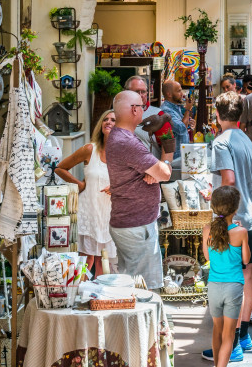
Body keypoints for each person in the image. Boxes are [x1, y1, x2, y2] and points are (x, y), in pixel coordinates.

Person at [211, 92, 252, 355]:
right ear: (240, 115)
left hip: (234, 218)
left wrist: (221, 212)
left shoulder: (221, 143)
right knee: (249, 275)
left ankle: (230, 346)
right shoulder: (247, 140)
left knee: (231, 278)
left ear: (217, 114)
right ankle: (243, 335)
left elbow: (228, 180)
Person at [106, 91, 171, 290]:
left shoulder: (121, 136)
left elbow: (156, 172)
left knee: (132, 285)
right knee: (145, 290)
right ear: (134, 109)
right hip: (136, 224)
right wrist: (164, 162)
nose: (144, 109)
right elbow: (165, 173)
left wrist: (155, 171)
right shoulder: (126, 141)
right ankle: (147, 322)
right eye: (142, 106)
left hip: (131, 222)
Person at [55, 110, 117, 277]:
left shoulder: (123, 154)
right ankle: (78, 291)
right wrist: (80, 184)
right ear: (100, 125)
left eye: (113, 120)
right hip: (89, 212)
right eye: (105, 119)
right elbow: (60, 168)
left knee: (103, 262)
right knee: (85, 261)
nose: (108, 122)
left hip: (110, 214)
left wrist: (117, 187)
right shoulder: (90, 149)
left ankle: (100, 299)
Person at [202, 186, 250, 366]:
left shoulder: (207, 230)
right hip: (234, 286)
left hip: (214, 285)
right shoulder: (241, 232)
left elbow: (207, 257)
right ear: (235, 209)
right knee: (229, 334)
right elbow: (246, 259)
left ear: (214, 207)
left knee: (217, 330)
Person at [124, 75, 171, 162]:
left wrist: (164, 166)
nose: (141, 95)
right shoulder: (113, 115)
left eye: (143, 92)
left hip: (149, 172)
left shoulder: (158, 115)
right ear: (125, 92)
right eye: (137, 92)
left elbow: (168, 145)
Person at [160, 79, 192, 159]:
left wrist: (190, 123)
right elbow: (181, 129)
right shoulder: (166, 110)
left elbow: (183, 125)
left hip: (183, 155)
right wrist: (188, 110)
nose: (182, 94)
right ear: (169, 94)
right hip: (175, 158)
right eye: (179, 91)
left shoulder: (176, 107)